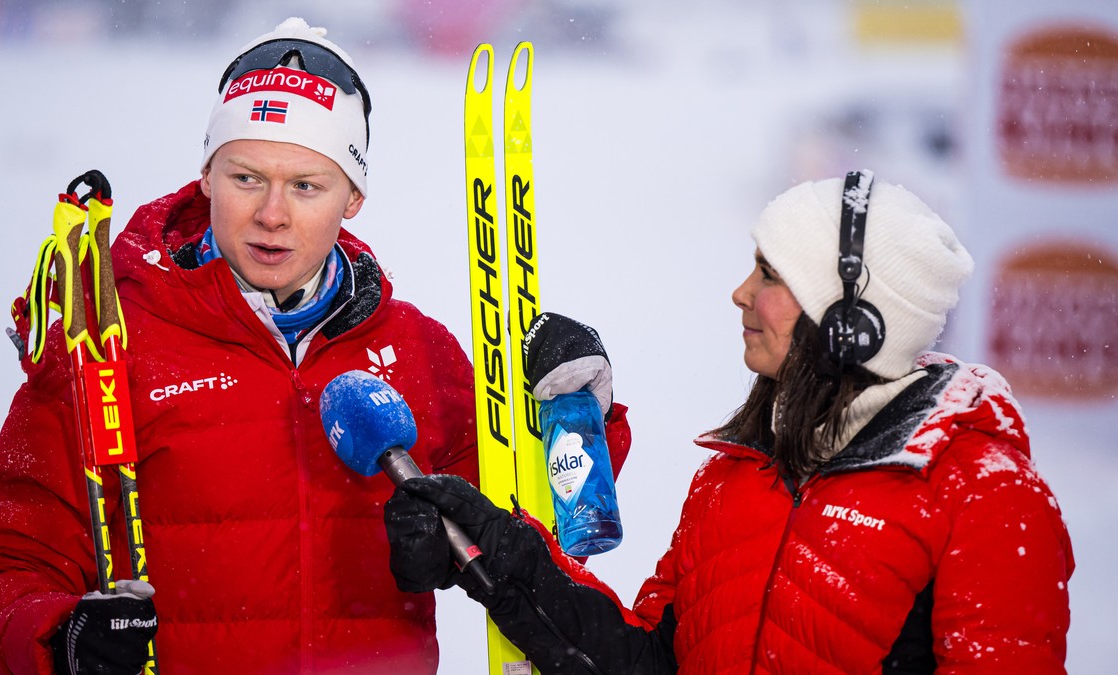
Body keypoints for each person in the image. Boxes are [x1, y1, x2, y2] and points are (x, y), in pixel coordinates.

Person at [0, 17, 630, 675]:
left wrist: (578, 409)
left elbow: (540, 516)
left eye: (306, 186)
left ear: (353, 196)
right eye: (247, 178)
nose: (272, 213)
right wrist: (61, 638)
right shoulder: (106, 343)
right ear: (207, 174)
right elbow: (0, 565)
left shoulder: (413, 348)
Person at [384, 171, 1075, 674]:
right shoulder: (731, 479)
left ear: (851, 324)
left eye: (770, 275)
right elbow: (647, 661)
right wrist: (505, 553)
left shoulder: (984, 494)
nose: (740, 292)